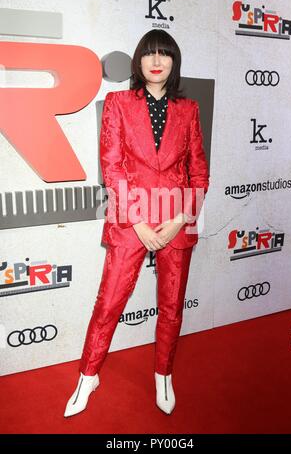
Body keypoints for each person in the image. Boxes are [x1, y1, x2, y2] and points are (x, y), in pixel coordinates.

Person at [64, 29, 210, 417]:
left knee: (172, 306)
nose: (157, 61)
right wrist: (138, 221)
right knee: (109, 302)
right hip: (132, 220)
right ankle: (88, 375)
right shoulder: (118, 103)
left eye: (165, 54)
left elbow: (199, 174)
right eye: (149, 54)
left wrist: (181, 219)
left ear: (174, 62)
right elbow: (111, 167)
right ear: (138, 61)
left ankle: (164, 373)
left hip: (177, 220)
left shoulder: (189, 110)